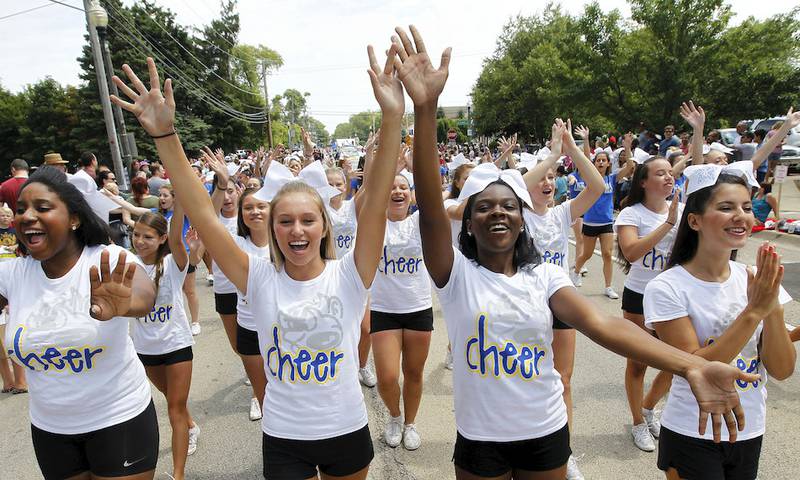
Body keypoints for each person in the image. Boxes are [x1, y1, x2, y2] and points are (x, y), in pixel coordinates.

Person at [398, 25, 762, 480]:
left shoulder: (544, 277)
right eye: (484, 207)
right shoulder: (455, 275)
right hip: (478, 439)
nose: (498, 213)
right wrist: (425, 108)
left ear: (522, 216)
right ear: (468, 222)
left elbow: (602, 324)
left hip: (545, 432)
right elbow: (431, 208)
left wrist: (693, 366)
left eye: (509, 206)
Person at [112, 47, 403, 478]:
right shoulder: (257, 277)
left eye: (308, 220)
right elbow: (204, 214)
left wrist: (394, 116)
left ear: (324, 227)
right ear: (272, 224)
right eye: (285, 221)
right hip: (285, 437)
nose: (297, 230)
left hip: (346, 431)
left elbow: (376, 201)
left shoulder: (351, 273)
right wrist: (165, 137)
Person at [0, 166, 157, 479]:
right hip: (50, 431)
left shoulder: (106, 259)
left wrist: (125, 305)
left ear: (73, 218)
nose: (27, 216)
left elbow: (144, 294)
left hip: (119, 420)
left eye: (42, 208)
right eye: (21, 210)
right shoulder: (13, 274)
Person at [644, 164, 796, 480]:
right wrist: (754, 311)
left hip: (749, 428)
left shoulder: (756, 280)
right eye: (726, 207)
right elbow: (697, 368)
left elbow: (781, 369)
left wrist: (773, 309)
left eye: (745, 206)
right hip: (693, 430)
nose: (741, 215)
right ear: (695, 220)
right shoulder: (668, 287)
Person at [519, 118, 605, 479]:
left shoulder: (562, 213)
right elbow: (509, 188)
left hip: (561, 303)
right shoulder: (517, 214)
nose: (548, 183)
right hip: (525, 307)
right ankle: (523, 442)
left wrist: (570, 149)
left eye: (552, 178)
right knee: (528, 377)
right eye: (541, 179)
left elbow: (597, 186)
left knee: (563, 379)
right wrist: (550, 157)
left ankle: (563, 453)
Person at [615, 155, 683, 452]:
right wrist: (667, 224)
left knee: (677, 361)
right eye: (660, 173)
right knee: (639, 363)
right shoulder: (632, 214)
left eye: (671, 172)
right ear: (643, 181)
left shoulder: (680, 211)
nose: (669, 177)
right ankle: (637, 423)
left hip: (673, 298)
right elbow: (631, 252)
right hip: (640, 296)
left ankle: (648, 407)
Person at [129, 202, 199, 480]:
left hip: (176, 345)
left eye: (148, 236)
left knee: (175, 409)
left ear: (162, 239)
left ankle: (178, 474)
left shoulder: (173, 263)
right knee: (172, 398)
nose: (140, 241)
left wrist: (181, 201)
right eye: (136, 234)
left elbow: (176, 233)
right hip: (145, 349)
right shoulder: (127, 264)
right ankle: (191, 426)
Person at [370, 164, 433, 451]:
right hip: (383, 309)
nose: (397, 191)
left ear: (411, 195)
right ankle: (395, 417)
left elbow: (438, 199)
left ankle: (411, 424)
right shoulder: (372, 222)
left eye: (403, 187)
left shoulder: (421, 221)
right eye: (391, 187)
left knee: (414, 372)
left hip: (418, 307)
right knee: (387, 377)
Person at [326, 163, 377, 388]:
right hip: (328, 277)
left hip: (355, 274)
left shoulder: (352, 206)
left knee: (366, 328)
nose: (335, 188)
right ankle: (341, 368)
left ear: (346, 186)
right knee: (336, 328)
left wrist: (370, 154)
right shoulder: (317, 209)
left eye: (339, 184)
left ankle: (362, 365)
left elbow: (371, 185)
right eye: (330, 184)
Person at [571, 141, 635, 298]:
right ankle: (575, 272)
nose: (600, 162)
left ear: (608, 163)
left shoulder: (612, 178)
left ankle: (608, 287)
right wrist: (586, 140)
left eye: (603, 160)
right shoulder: (589, 178)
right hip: (590, 221)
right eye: (598, 160)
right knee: (587, 254)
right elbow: (585, 159)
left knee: (607, 254)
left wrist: (627, 148)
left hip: (606, 222)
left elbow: (630, 166)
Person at [0, 203, 27, 394]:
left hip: (13, 285)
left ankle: (21, 381)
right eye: (1, 214)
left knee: (13, 338)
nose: (4, 217)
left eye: (8, 214)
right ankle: (7, 381)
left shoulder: (20, 233)